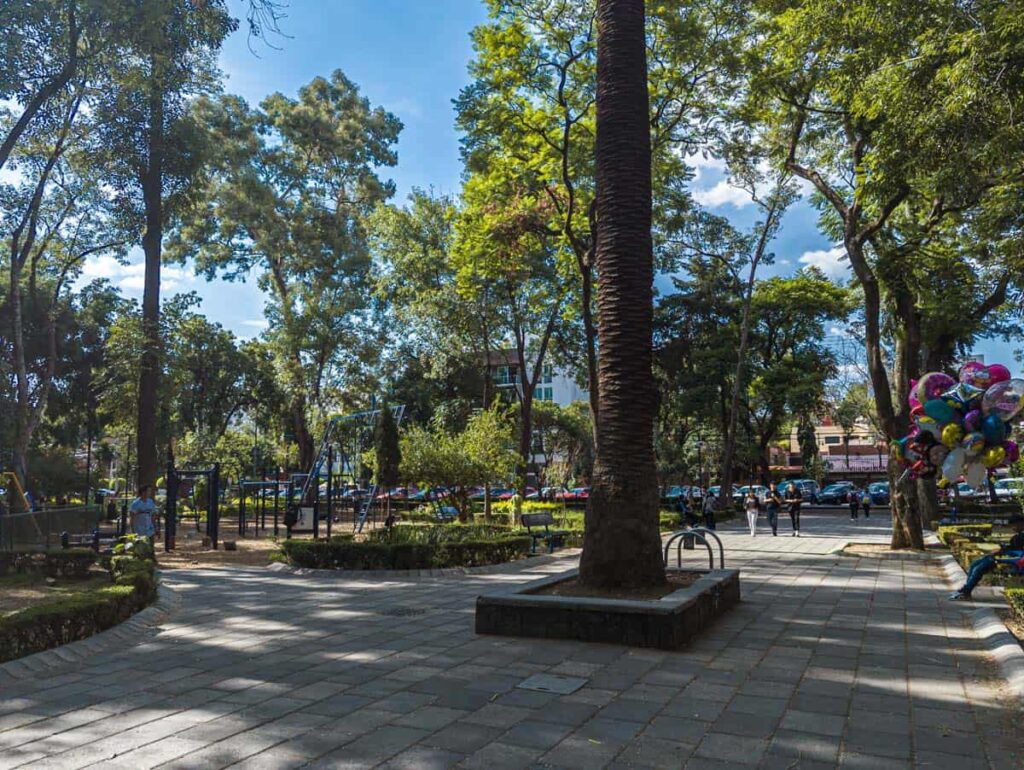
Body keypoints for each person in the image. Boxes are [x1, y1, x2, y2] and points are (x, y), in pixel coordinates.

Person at [950, 515, 1024, 600]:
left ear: (1020, 524)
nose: (1012, 528)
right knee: (974, 564)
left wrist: (1001, 551)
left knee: (979, 568)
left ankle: (965, 590)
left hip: (1013, 559)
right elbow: (1011, 547)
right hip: (1005, 556)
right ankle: (967, 590)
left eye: (1013, 525)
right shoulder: (1018, 536)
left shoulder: (1021, 536)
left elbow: (1017, 551)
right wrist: (1000, 549)